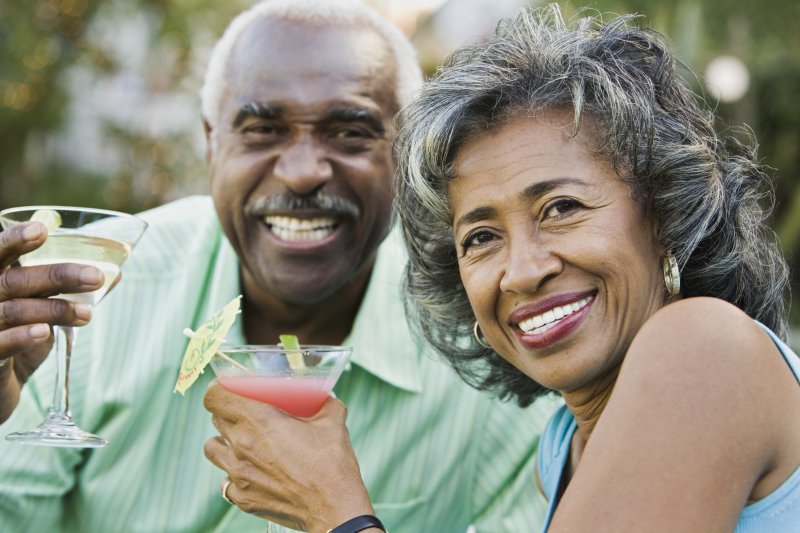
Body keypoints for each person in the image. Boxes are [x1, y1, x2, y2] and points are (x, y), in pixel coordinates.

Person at [204, 3, 800, 532]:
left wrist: (335, 512)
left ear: (666, 215)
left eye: (562, 208)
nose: (521, 271)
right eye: (481, 237)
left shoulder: (703, 349)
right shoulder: (560, 450)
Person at [0, 1, 559, 532]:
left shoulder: (489, 343)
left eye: (349, 132)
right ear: (211, 143)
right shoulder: (92, 293)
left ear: (405, 155)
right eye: (263, 130)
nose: (300, 173)